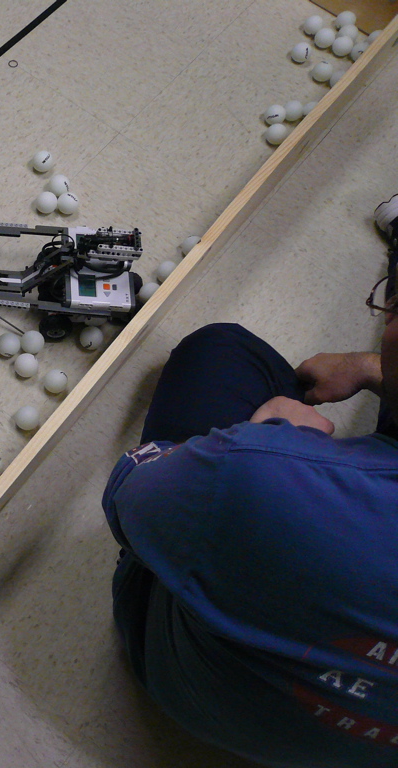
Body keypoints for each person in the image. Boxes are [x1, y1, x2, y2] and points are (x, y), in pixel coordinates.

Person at [103, 198, 398, 768]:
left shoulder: (257, 473)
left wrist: (270, 439)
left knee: (221, 349)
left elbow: (126, 497)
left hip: (185, 682)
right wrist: (374, 371)